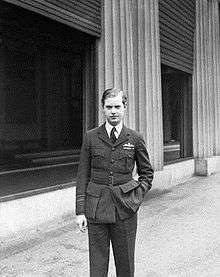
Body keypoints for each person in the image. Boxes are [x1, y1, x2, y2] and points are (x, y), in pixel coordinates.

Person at [75, 88, 154, 277]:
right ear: (103, 108)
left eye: (117, 106)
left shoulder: (134, 138)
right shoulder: (91, 137)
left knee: (125, 265)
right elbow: (82, 175)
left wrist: (136, 196)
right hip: (96, 208)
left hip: (124, 209)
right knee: (98, 266)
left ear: (125, 107)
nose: (113, 111)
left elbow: (147, 173)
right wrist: (80, 211)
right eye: (109, 107)